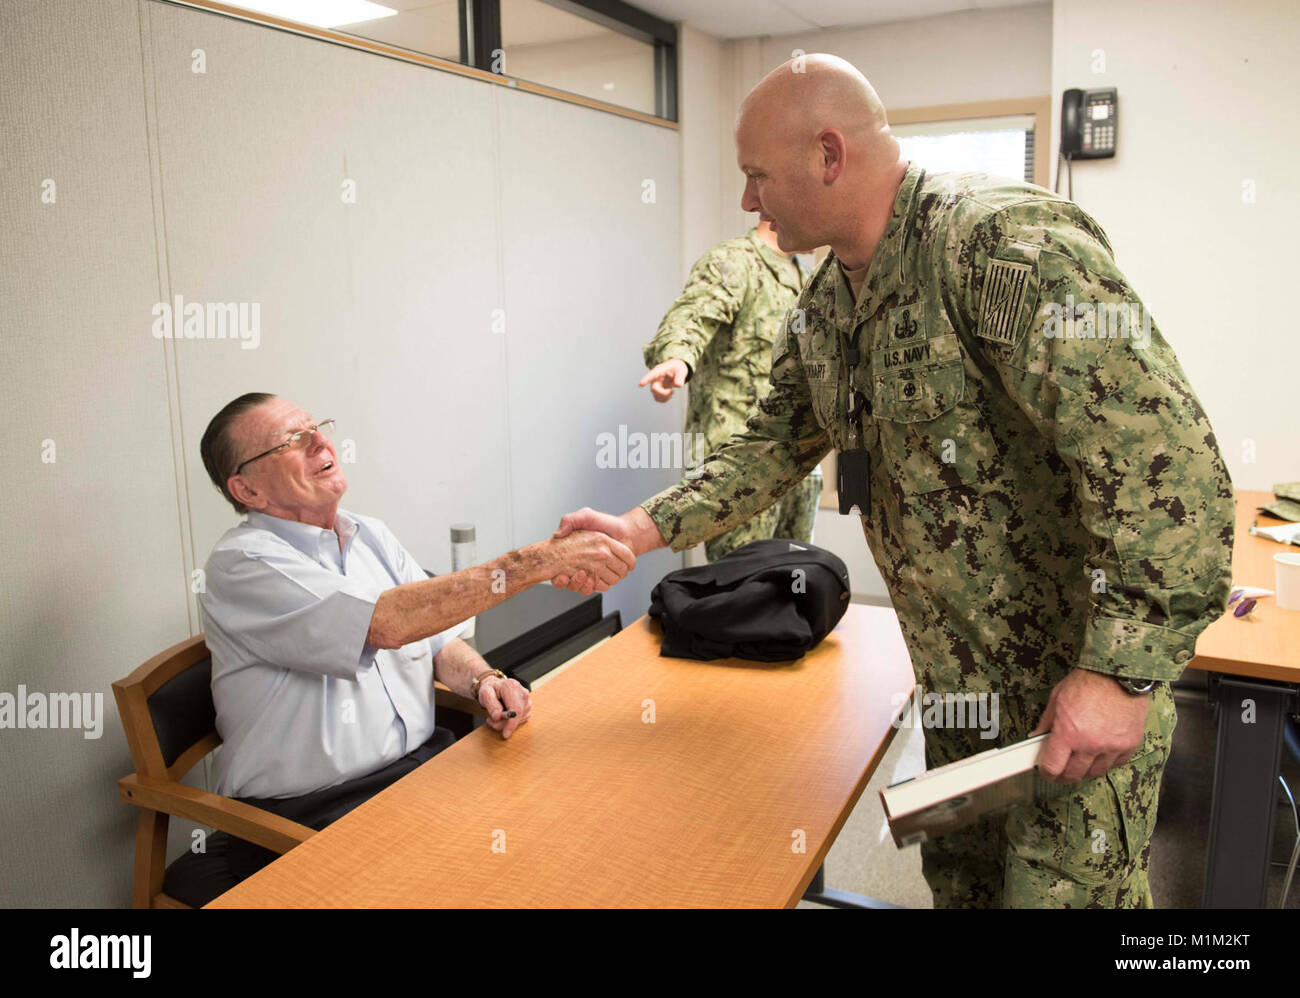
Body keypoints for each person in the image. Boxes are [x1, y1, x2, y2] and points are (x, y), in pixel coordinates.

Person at [550, 55, 1234, 908]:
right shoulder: (827, 308)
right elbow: (764, 446)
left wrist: (1121, 677)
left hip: (1072, 703)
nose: (747, 202)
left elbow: (1167, 465)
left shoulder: (1000, 249)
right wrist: (642, 528)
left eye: (757, 175)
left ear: (828, 155)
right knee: (967, 891)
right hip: (959, 699)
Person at [197, 393, 634, 876]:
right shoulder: (243, 564)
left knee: (571, 825)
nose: (321, 441)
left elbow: (434, 640)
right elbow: (385, 625)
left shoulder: (369, 534)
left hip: (420, 769)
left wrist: (483, 679)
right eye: (292, 440)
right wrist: (539, 562)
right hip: (315, 809)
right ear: (249, 491)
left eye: (317, 426)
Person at [640, 218, 823, 561]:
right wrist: (677, 357)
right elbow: (691, 316)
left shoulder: (807, 278)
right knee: (744, 589)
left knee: (798, 580)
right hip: (740, 467)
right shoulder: (733, 262)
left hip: (797, 465)